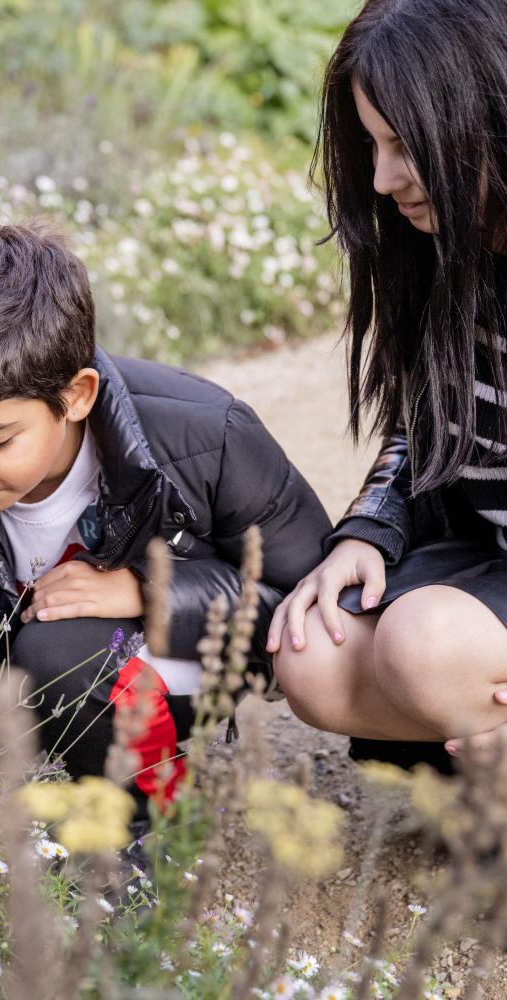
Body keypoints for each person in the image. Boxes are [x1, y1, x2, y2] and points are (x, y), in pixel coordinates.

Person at [0, 220, 330, 809]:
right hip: (6, 699)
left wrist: (149, 591)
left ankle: (137, 817)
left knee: (61, 653)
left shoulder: (209, 436)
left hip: (169, 669)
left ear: (78, 394)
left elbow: (302, 597)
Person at [269, 0, 507, 768]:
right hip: (489, 552)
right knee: (313, 653)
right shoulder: (444, 251)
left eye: (404, 146)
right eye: (372, 145)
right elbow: (426, 420)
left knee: (427, 644)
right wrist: (370, 527)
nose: (383, 179)